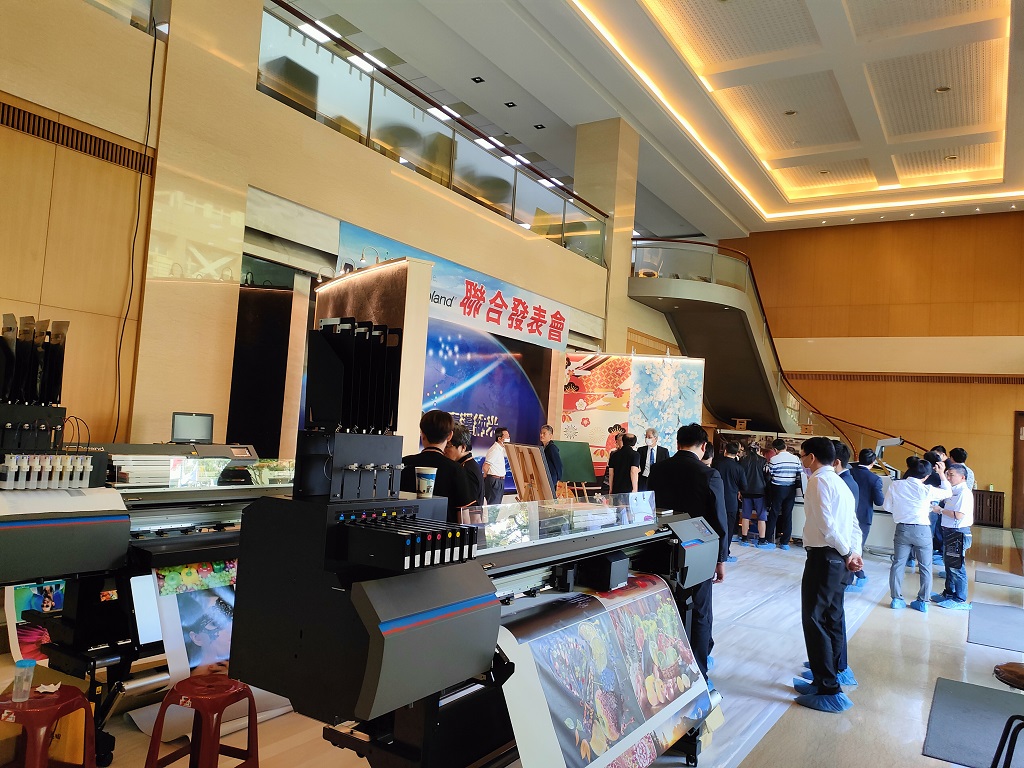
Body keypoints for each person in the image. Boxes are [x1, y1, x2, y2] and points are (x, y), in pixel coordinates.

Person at [648, 424, 728, 682]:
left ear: (677, 443)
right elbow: (719, 521)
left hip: (659, 549)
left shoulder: (658, 470)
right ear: (703, 446)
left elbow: (649, 509)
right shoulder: (709, 474)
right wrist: (720, 559)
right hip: (697, 552)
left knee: (663, 609)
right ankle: (698, 672)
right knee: (700, 611)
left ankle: (665, 666)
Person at [794, 437, 861, 713]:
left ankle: (827, 687)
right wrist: (854, 553)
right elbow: (854, 525)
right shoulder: (841, 482)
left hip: (825, 558)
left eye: (802, 456)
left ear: (811, 457)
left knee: (814, 619)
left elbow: (826, 526)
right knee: (831, 617)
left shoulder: (818, 481)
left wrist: (847, 553)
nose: (801, 461)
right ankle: (828, 677)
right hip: (839, 560)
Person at [882, 457, 951, 611]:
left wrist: (901, 511)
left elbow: (887, 507)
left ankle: (896, 599)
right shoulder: (927, 489)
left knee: (898, 564)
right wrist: (941, 473)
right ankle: (923, 602)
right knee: (926, 566)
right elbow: (948, 493)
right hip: (922, 530)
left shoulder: (896, 485)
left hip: (902, 529)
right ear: (926, 476)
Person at [401, 409, 475, 523]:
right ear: (450, 436)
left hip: (406, 530)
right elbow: (463, 515)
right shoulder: (456, 469)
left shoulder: (404, 463)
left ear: (422, 434)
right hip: (443, 532)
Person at [931, 462, 974, 609]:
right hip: (949, 532)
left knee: (957, 568)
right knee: (949, 566)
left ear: (962, 477)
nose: (948, 477)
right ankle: (948, 594)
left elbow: (959, 515)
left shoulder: (964, 493)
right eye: (947, 474)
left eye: (951, 475)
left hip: (958, 533)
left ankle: (960, 599)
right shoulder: (952, 491)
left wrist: (940, 510)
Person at [849, 449, 884, 587]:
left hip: (847, 513)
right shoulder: (874, 479)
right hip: (863, 517)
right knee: (857, 547)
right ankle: (855, 576)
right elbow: (879, 501)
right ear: (873, 462)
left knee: (846, 546)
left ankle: (855, 575)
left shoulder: (849, 473)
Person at [765, 439, 801, 550]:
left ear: (775, 449)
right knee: (787, 515)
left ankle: (768, 539)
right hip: (791, 489)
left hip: (777, 488)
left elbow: (769, 473)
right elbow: (799, 474)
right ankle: (785, 542)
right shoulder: (796, 459)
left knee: (774, 513)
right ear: (785, 446)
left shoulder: (774, 459)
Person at [445, 424, 485, 517]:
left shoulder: (465, 470)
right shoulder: (469, 464)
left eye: (448, 446)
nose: (444, 450)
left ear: (463, 447)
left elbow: (470, 512)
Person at [713, 441, 743, 562]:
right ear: (736, 453)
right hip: (731, 502)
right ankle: (725, 553)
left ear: (725, 451)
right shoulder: (739, 468)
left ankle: (714, 553)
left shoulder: (717, 464)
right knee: (729, 528)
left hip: (716, 500)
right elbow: (744, 485)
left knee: (715, 526)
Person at [739, 443, 768, 546]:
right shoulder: (763, 461)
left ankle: (744, 538)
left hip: (746, 491)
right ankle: (762, 540)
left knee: (745, 515)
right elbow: (767, 476)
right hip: (760, 492)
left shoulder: (743, 460)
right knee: (761, 516)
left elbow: (740, 476)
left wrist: (740, 490)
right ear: (758, 449)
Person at [482, 425, 510, 505]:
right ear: (500, 438)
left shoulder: (500, 449)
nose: (508, 438)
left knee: (497, 506)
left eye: (508, 436)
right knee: (494, 506)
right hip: (495, 481)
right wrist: (487, 478)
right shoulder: (495, 450)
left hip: (499, 481)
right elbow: (485, 467)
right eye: (506, 436)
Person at [637, 428, 669, 492]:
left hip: (658, 479)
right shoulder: (641, 450)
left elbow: (667, 467)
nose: (647, 439)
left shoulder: (664, 451)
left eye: (649, 437)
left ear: (656, 438)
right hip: (644, 479)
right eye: (646, 437)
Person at [539, 424, 562, 494]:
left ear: (550, 435)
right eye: (541, 433)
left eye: (544, 433)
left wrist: (559, 478)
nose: (541, 435)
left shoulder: (552, 448)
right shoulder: (541, 448)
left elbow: (558, 464)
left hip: (551, 478)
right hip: (543, 477)